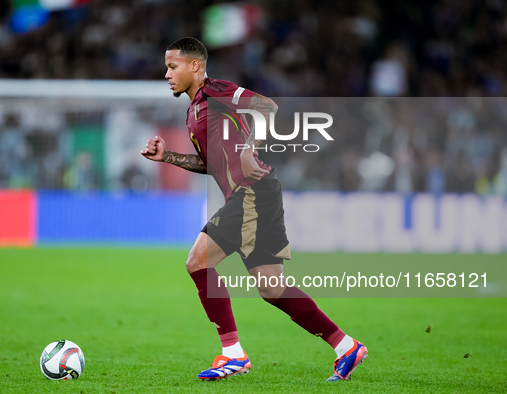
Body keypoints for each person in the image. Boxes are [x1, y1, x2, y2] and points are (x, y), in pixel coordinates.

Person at [141, 37, 367, 382]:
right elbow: (209, 164)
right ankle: (345, 346)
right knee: (271, 287)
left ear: (195, 66)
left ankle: (232, 353)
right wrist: (167, 157)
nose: (167, 74)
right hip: (256, 194)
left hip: (253, 192)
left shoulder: (217, 91)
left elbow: (267, 106)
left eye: (173, 66)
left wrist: (249, 146)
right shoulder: (193, 111)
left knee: (198, 261)